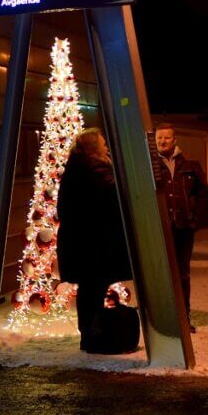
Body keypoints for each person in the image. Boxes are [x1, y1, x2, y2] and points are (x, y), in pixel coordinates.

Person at [57, 128, 133, 351]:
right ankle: (92, 337)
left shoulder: (79, 168)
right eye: (103, 144)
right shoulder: (94, 169)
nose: (107, 148)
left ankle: (90, 336)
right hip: (92, 247)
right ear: (93, 149)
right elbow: (116, 194)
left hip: (82, 245)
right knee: (92, 290)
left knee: (90, 291)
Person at [154, 123, 207, 332]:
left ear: (175, 140)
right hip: (160, 229)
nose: (163, 141)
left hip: (183, 228)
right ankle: (164, 318)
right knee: (162, 274)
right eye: (159, 138)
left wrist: (195, 219)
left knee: (183, 274)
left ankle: (184, 318)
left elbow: (203, 194)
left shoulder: (190, 166)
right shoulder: (150, 166)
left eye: (166, 138)